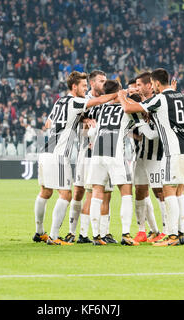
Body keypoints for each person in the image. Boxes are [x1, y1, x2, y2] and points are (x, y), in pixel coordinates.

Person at [118, 68, 184, 246]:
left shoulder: (159, 98)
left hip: (174, 150)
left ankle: (172, 236)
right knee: (179, 192)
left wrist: (121, 95)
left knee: (168, 191)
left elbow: (127, 107)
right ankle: (180, 232)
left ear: (155, 83)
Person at [33, 71, 118, 245]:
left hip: (45, 150)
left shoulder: (59, 101)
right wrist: (118, 93)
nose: (85, 88)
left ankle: (39, 232)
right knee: (66, 195)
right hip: (59, 154)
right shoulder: (76, 101)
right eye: (83, 86)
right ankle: (54, 236)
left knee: (45, 192)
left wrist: (78, 120)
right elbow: (99, 100)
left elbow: (47, 124)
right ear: (74, 87)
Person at [64, 70, 117, 244]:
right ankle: (74, 231)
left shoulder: (108, 102)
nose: (105, 83)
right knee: (79, 191)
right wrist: (84, 121)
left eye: (105, 80)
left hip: (103, 153)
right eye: (101, 81)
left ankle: (104, 232)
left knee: (105, 194)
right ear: (92, 84)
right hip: (84, 154)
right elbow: (72, 119)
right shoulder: (82, 101)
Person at [86, 80, 138, 246]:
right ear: (119, 91)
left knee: (96, 192)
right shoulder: (127, 106)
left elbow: (91, 126)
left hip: (97, 154)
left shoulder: (100, 108)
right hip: (115, 153)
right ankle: (126, 234)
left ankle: (96, 236)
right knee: (126, 191)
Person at [131, 72, 167, 243]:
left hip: (155, 156)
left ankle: (167, 230)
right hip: (140, 155)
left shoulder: (158, 103)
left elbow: (156, 134)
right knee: (139, 191)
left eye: (139, 84)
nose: (136, 88)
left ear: (149, 85)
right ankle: (142, 231)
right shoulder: (139, 105)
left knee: (159, 191)